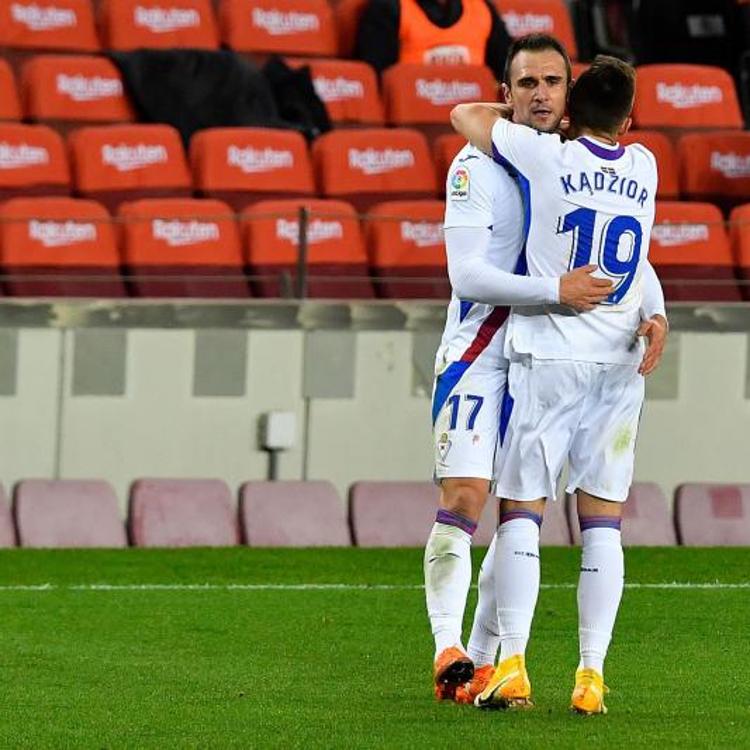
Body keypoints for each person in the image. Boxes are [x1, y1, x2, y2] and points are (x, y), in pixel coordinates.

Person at [427, 37, 668, 705]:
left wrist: (656, 306)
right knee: (473, 500)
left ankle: (490, 661)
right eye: (525, 81)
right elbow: (467, 275)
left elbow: (634, 249)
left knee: (520, 513)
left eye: (552, 82)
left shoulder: (552, 158)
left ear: (570, 94)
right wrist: (561, 292)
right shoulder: (479, 166)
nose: (539, 92)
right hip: (485, 351)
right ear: (508, 92)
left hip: (543, 356)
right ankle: (452, 644)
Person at [354, 0, 511, 80]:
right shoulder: (388, 8)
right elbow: (376, 82)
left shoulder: (482, 9)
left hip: (475, 123)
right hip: (415, 117)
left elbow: (511, 70)